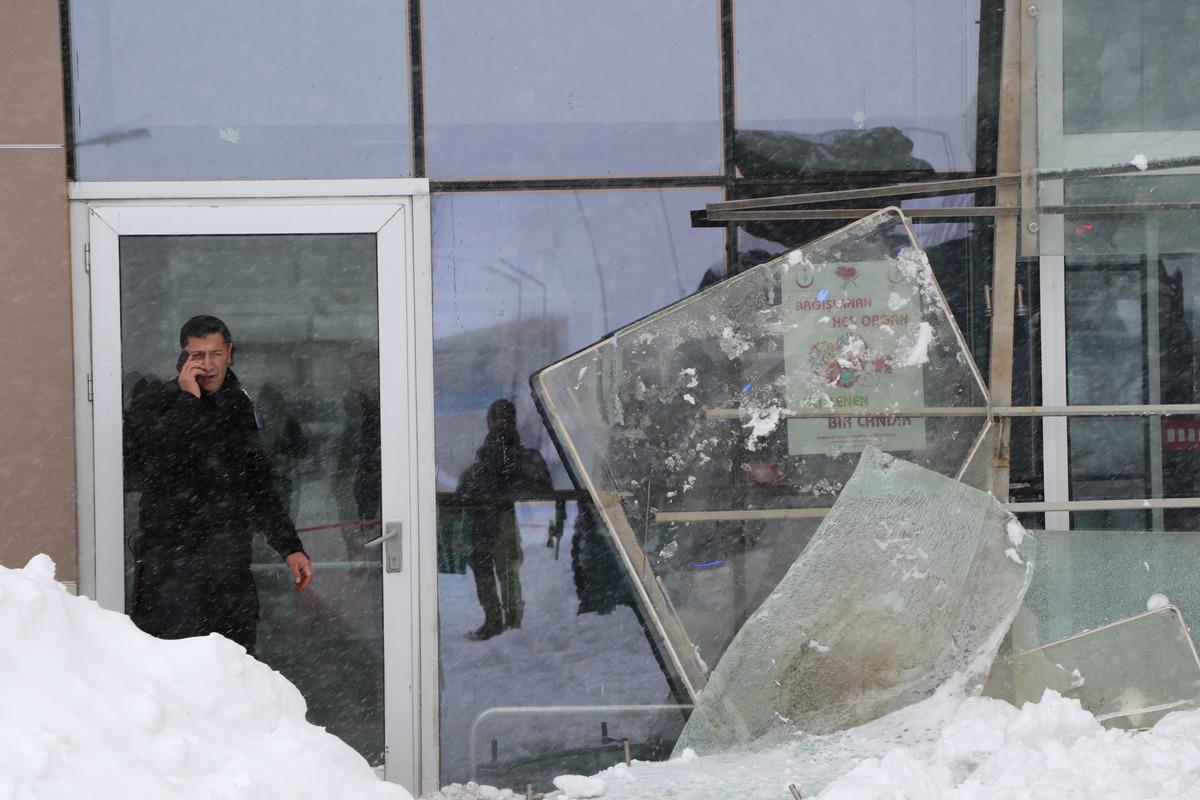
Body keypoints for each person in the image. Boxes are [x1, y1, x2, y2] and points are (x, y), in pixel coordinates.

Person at [129, 315, 313, 655]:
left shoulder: (239, 406)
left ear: (230, 352)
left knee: (233, 674)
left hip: (227, 569)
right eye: (197, 355)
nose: (208, 364)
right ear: (183, 357)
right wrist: (188, 401)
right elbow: (154, 469)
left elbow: (258, 486)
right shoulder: (158, 402)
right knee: (176, 673)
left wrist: (290, 547)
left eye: (215, 353)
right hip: (170, 570)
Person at [457, 399, 551, 640]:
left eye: (506, 420)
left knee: (504, 571)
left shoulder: (519, 456)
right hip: (486, 519)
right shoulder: (491, 458)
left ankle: (507, 622)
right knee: (492, 571)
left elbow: (539, 488)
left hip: (499, 519)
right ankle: (502, 621)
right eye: (498, 421)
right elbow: (469, 488)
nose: (502, 426)